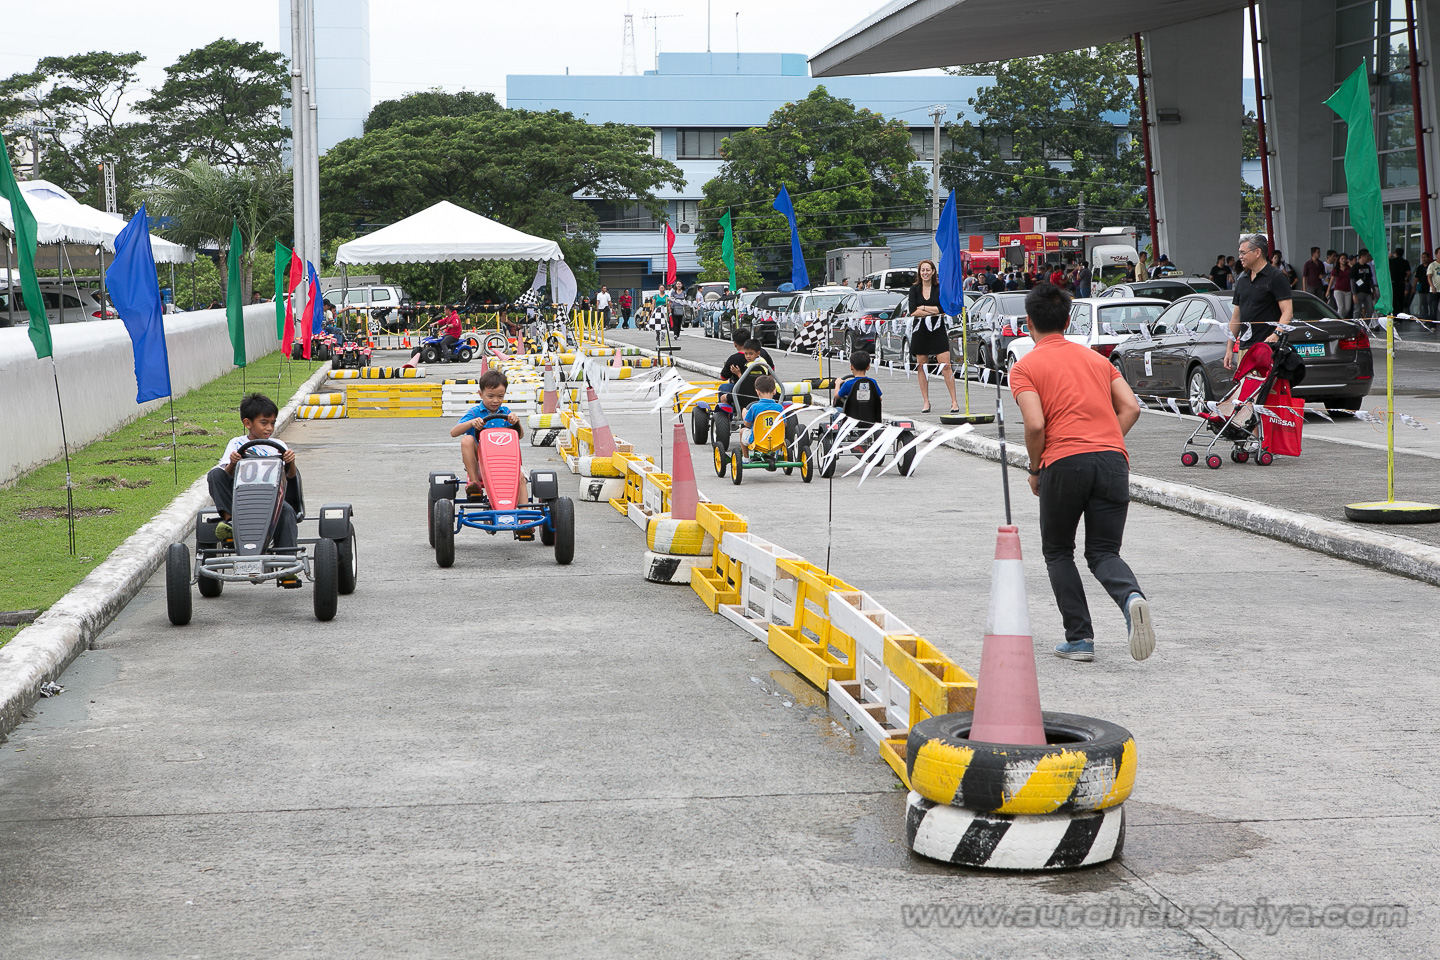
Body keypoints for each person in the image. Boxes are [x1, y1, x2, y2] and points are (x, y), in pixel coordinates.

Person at [1008, 282, 1153, 663]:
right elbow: (1131, 408)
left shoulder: (1024, 368)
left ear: (1028, 322)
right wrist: (1105, 440)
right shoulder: (1097, 361)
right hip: (1112, 461)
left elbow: (1035, 425)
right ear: (1069, 320)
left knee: (1058, 551)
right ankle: (1131, 597)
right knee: (1104, 551)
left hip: (1063, 462)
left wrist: (1035, 468)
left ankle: (1080, 638)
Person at [209, 393, 300, 581]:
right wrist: (233, 463)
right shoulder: (236, 443)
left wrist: (290, 462)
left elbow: (291, 476)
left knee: (287, 511)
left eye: (272, 423)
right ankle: (230, 523)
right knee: (215, 474)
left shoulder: (278, 445)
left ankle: (287, 566)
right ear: (248, 423)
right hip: (241, 500)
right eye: (264, 423)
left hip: (271, 500)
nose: (269, 428)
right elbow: (226, 475)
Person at [450, 369, 527, 503]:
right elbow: (453, 432)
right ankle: (474, 483)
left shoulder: (506, 413)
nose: (495, 401)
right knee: (467, 439)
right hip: (481, 465)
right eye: (490, 396)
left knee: (520, 477)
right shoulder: (475, 413)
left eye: (500, 396)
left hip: (505, 463)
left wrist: (516, 422)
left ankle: (525, 513)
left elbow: (519, 436)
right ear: (481, 394)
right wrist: (471, 423)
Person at [1226, 234, 1294, 374]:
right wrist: (1229, 348)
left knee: (1265, 388)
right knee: (1244, 388)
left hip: (1267, 349)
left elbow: (1288, 312)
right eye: (1239, 253)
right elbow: (1236, 318)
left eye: (1243, 253)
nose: (1240, 257)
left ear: (1257, 252)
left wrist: (1276, 334)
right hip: (1245, 349)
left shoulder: (1276, 277)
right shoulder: (1242, 280)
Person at [907, 258, 959, 414]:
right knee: (922, 366)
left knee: (946, 366)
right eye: (922, 270)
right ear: (919, 272)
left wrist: (923, 307)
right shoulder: (914, 289)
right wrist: (932, 310)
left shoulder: (939, 288)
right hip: (920, 330)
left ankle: (954, 401)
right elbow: (913, 311)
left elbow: (943, 309)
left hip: (938, 330)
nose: (925, 273)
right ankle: (926, 401)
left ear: (933, 271)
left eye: (928, 270)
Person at [740, 375, 785, 456]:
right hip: (776, 440)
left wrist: (744, 414)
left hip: (757, 440)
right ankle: (775, 453)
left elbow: (747, 424)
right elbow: (784, 424)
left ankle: (746, 458)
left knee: (742, 431)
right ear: (774, 391)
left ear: (757, 392)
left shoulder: (754, 407)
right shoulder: (779, 407)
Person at [833, 350, 881, 421]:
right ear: (868, 367)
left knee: (835, 410)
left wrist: (837, 384)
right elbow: (879, 399)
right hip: (870, 418)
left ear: (851, 367)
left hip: (851, 418)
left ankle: (838, 428)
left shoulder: (848, 384)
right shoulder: (872, 382)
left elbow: (837, 396)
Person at [1352, 249, 1377, 318]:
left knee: (1370, 309)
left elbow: (1370, 279)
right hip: (1358, 291)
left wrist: (1373, 289)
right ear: (1362, 256)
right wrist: (1354, 294)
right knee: (1357, 309)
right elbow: (1352, 281)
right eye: (1366, 256)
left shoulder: (1367, 267)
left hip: (1367, 291)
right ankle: (1356, 323)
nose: (1367, 258)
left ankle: (1366, 322)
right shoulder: (1355, 267)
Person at [1328, 253, 1353, 318]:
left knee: (1347, 308)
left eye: (1345, 259)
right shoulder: (1335, 269)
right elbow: (1331, 280)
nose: (1343, 260)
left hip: (1348, 290)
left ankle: (1340, 318)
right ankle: (1339, 320)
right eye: (1342, 259)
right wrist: (1328, 290)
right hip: (1338, 290)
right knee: (1341, 307)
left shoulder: (1349, 268)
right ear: (1339, 260)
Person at [1389, 248, 1412, 316]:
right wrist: (1406, 278)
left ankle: (1393, 315)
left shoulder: (1391, 261)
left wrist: (1389, 256)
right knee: (1400, 300)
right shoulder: (1405, 262)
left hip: (1392, 282)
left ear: (1395, 254)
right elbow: (1408, 273)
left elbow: (1384, 265)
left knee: (1393, 300)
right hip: (1401, 282)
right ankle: (1400, 316)